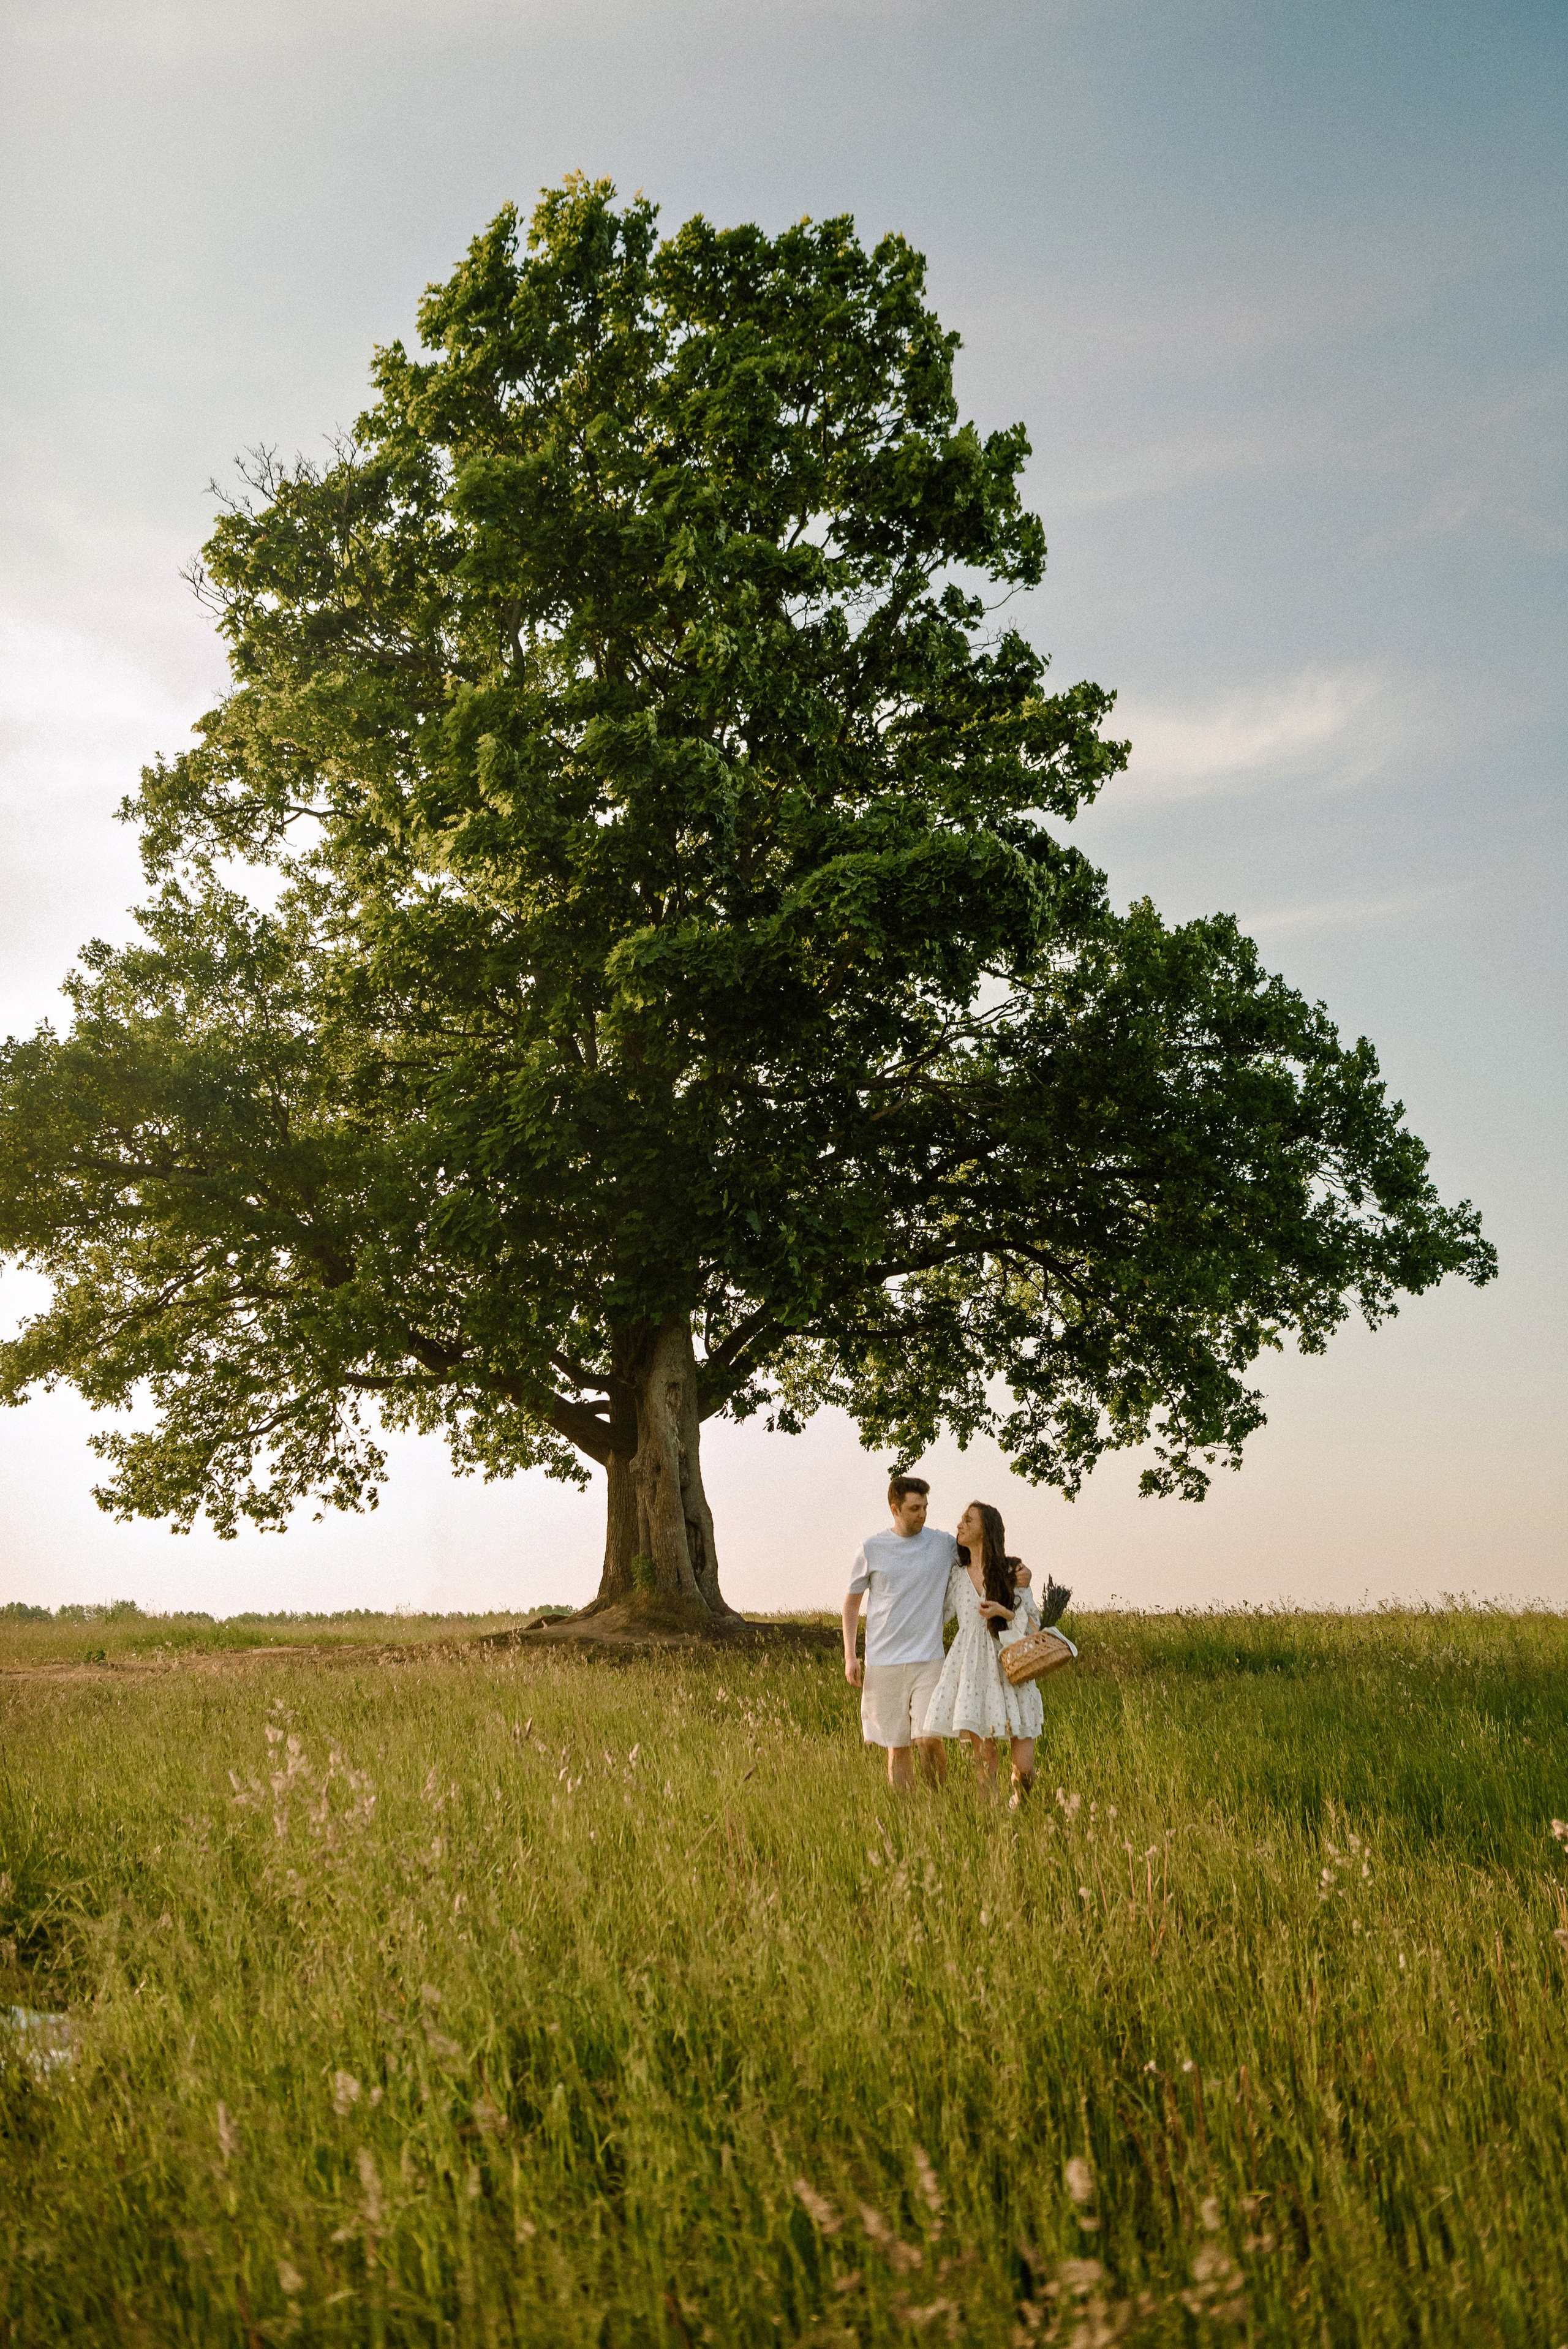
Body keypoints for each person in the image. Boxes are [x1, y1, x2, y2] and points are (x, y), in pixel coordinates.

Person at [919, 1499, 1046, 1807]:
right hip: (973, 1671)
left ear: (985, 1530)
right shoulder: (957, 1576)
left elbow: (1034, 1623)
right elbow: (938, 1614)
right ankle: (990, 1820)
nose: (960, 1525)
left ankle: (1020, 1804)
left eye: (968, 1521)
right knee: (985, 1758)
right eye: (961, 1520)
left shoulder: (1011, 1572)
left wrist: (1005, 1611)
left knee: (1024, 1769)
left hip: (1011, 1666)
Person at [842, 1475, 957, 1793]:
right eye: (914, 1508)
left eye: (925, 1508)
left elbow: (978, 1557)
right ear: (895, 1509)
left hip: (929, 1659)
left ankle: (937, 1801)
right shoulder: (872, 1548)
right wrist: (851, 1655)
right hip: (884, 1662)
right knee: (898, 1744)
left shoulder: (943, 1545)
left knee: (929, 1737)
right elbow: (851, 1605)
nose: (922, 1514)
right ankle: (907, 1815)